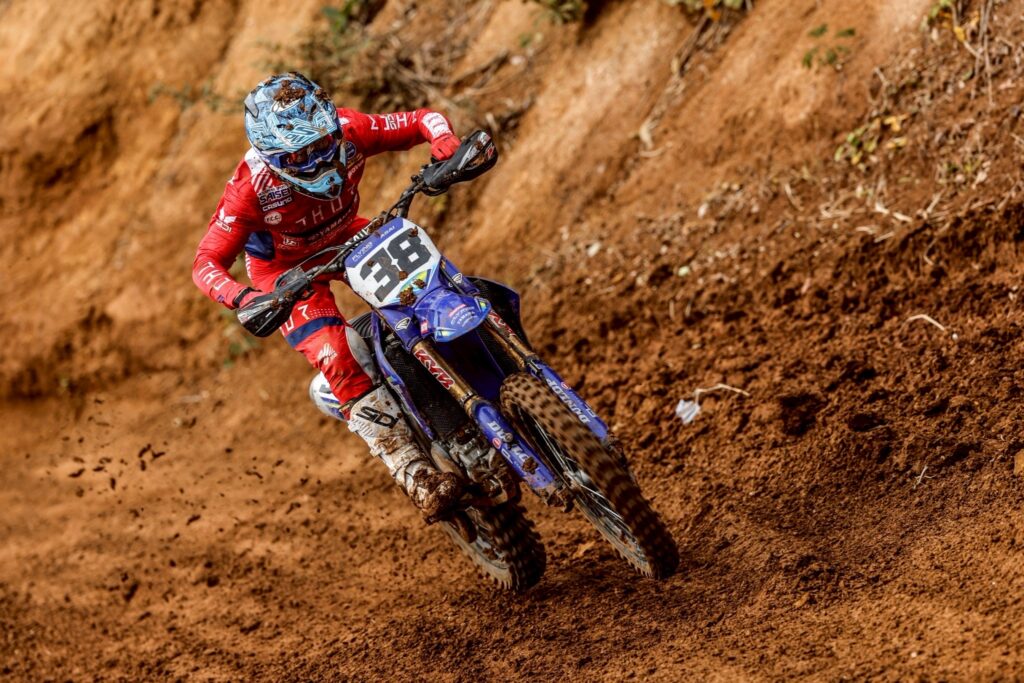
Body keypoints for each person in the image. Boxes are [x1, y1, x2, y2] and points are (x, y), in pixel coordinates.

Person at [191, 72, 462, 519]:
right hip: (286, 273)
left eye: (322, 144)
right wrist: (243, 299)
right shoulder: (249, 189)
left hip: (351, 235)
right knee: (337, 350)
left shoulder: (352, 130)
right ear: (273, 157)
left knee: (427, 287)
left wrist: (444, 141)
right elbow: (206, 262)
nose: (317, 160)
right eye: (300, 155)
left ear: (333, 127)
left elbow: (422, 119)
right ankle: (415, 473)